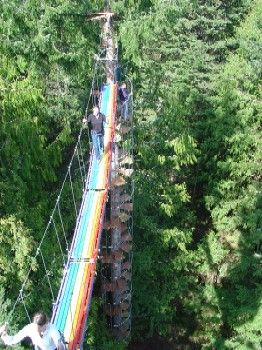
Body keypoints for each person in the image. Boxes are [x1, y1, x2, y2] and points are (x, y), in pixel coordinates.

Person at [0, 312, 65, 350]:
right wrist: (4, 335)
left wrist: (59, 345)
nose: (39, 332)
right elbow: (13, 340)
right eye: (36, 329)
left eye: (40, 329)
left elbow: (58, 342)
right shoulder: (30, 328)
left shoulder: (52, 329)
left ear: (46, 323)